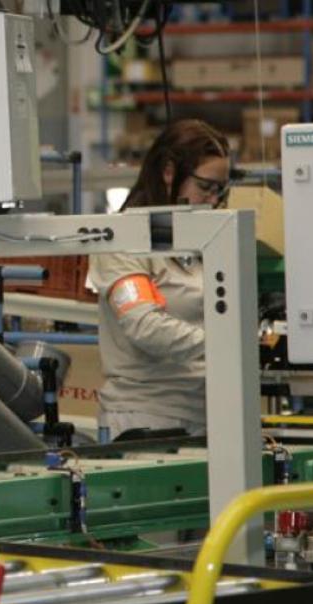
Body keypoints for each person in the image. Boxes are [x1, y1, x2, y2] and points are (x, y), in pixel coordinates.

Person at [88, 119, 232, 438]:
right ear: (169, 173)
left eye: (220, 191)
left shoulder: (203, 240)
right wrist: (229, 344)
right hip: (147, 418)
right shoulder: (123, 240)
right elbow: (145, 326)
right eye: (205, 188)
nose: (213, 201)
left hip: (210, 411)